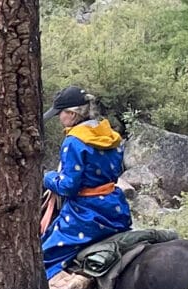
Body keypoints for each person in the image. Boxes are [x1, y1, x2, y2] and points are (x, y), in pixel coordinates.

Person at [40, 86, 133, 275]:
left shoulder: (73, 141)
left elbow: (68, 186)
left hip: (84, 213)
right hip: (114, 208)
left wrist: (47, 178)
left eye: (61, 114)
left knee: (43, 258)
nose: (59, 118)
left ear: (72, 114)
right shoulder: (110, 135)